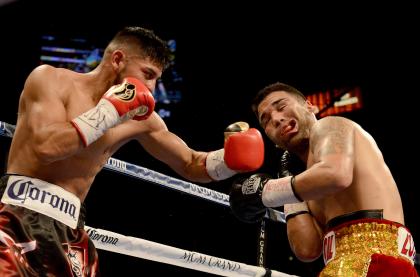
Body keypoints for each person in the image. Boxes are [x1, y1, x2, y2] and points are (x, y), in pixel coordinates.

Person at [0, 26, 265, 276]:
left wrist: (229, 159)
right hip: (16, 214)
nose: (151, 88)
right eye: (147, 74)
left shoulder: (141, 119)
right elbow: (45, 147)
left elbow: (190, 162)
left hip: (70, 231)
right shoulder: (51, 79)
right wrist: (111, 110)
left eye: (157, 79)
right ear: (117, 60)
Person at [229, 82, 418, 276]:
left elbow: (335, 175)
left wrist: (267, 192)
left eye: (281, 106)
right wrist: (285, 183)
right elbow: (307, 249)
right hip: (341, 267)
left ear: (309, 106)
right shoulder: (305, 184)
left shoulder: (330, 125)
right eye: (266, 120)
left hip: (377, 263)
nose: (276, 119)